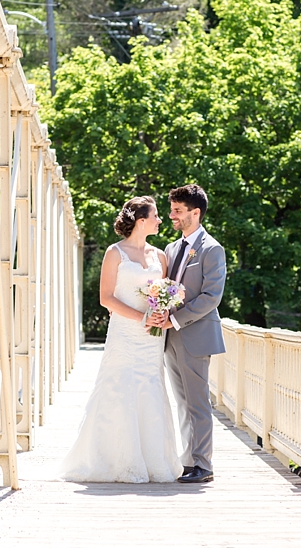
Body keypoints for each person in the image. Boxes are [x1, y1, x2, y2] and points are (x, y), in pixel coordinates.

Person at [58, 196, 182, 483]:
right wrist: (140, 318)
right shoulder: (115, 253)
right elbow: (106, 299)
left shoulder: (160, 256)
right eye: (155, 216)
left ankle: (154, 461)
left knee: (151, 389)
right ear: (141, 221)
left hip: (152, 337)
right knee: (119, 389)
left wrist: (161, 314)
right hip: (124, 335)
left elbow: (162, 294)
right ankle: (118, 460)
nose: (160, 220)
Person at [149, 184, 226, 484]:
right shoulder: (171, 248)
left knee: (197, 402)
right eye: (171, 210)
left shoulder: (212, 249)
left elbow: (211, 297)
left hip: (195, 335)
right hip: (170, 338)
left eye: (178, 211)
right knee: (182, 403)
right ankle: (188, 461)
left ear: (196, 213)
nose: (172, 216)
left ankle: (204, 466)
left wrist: (176, 320)